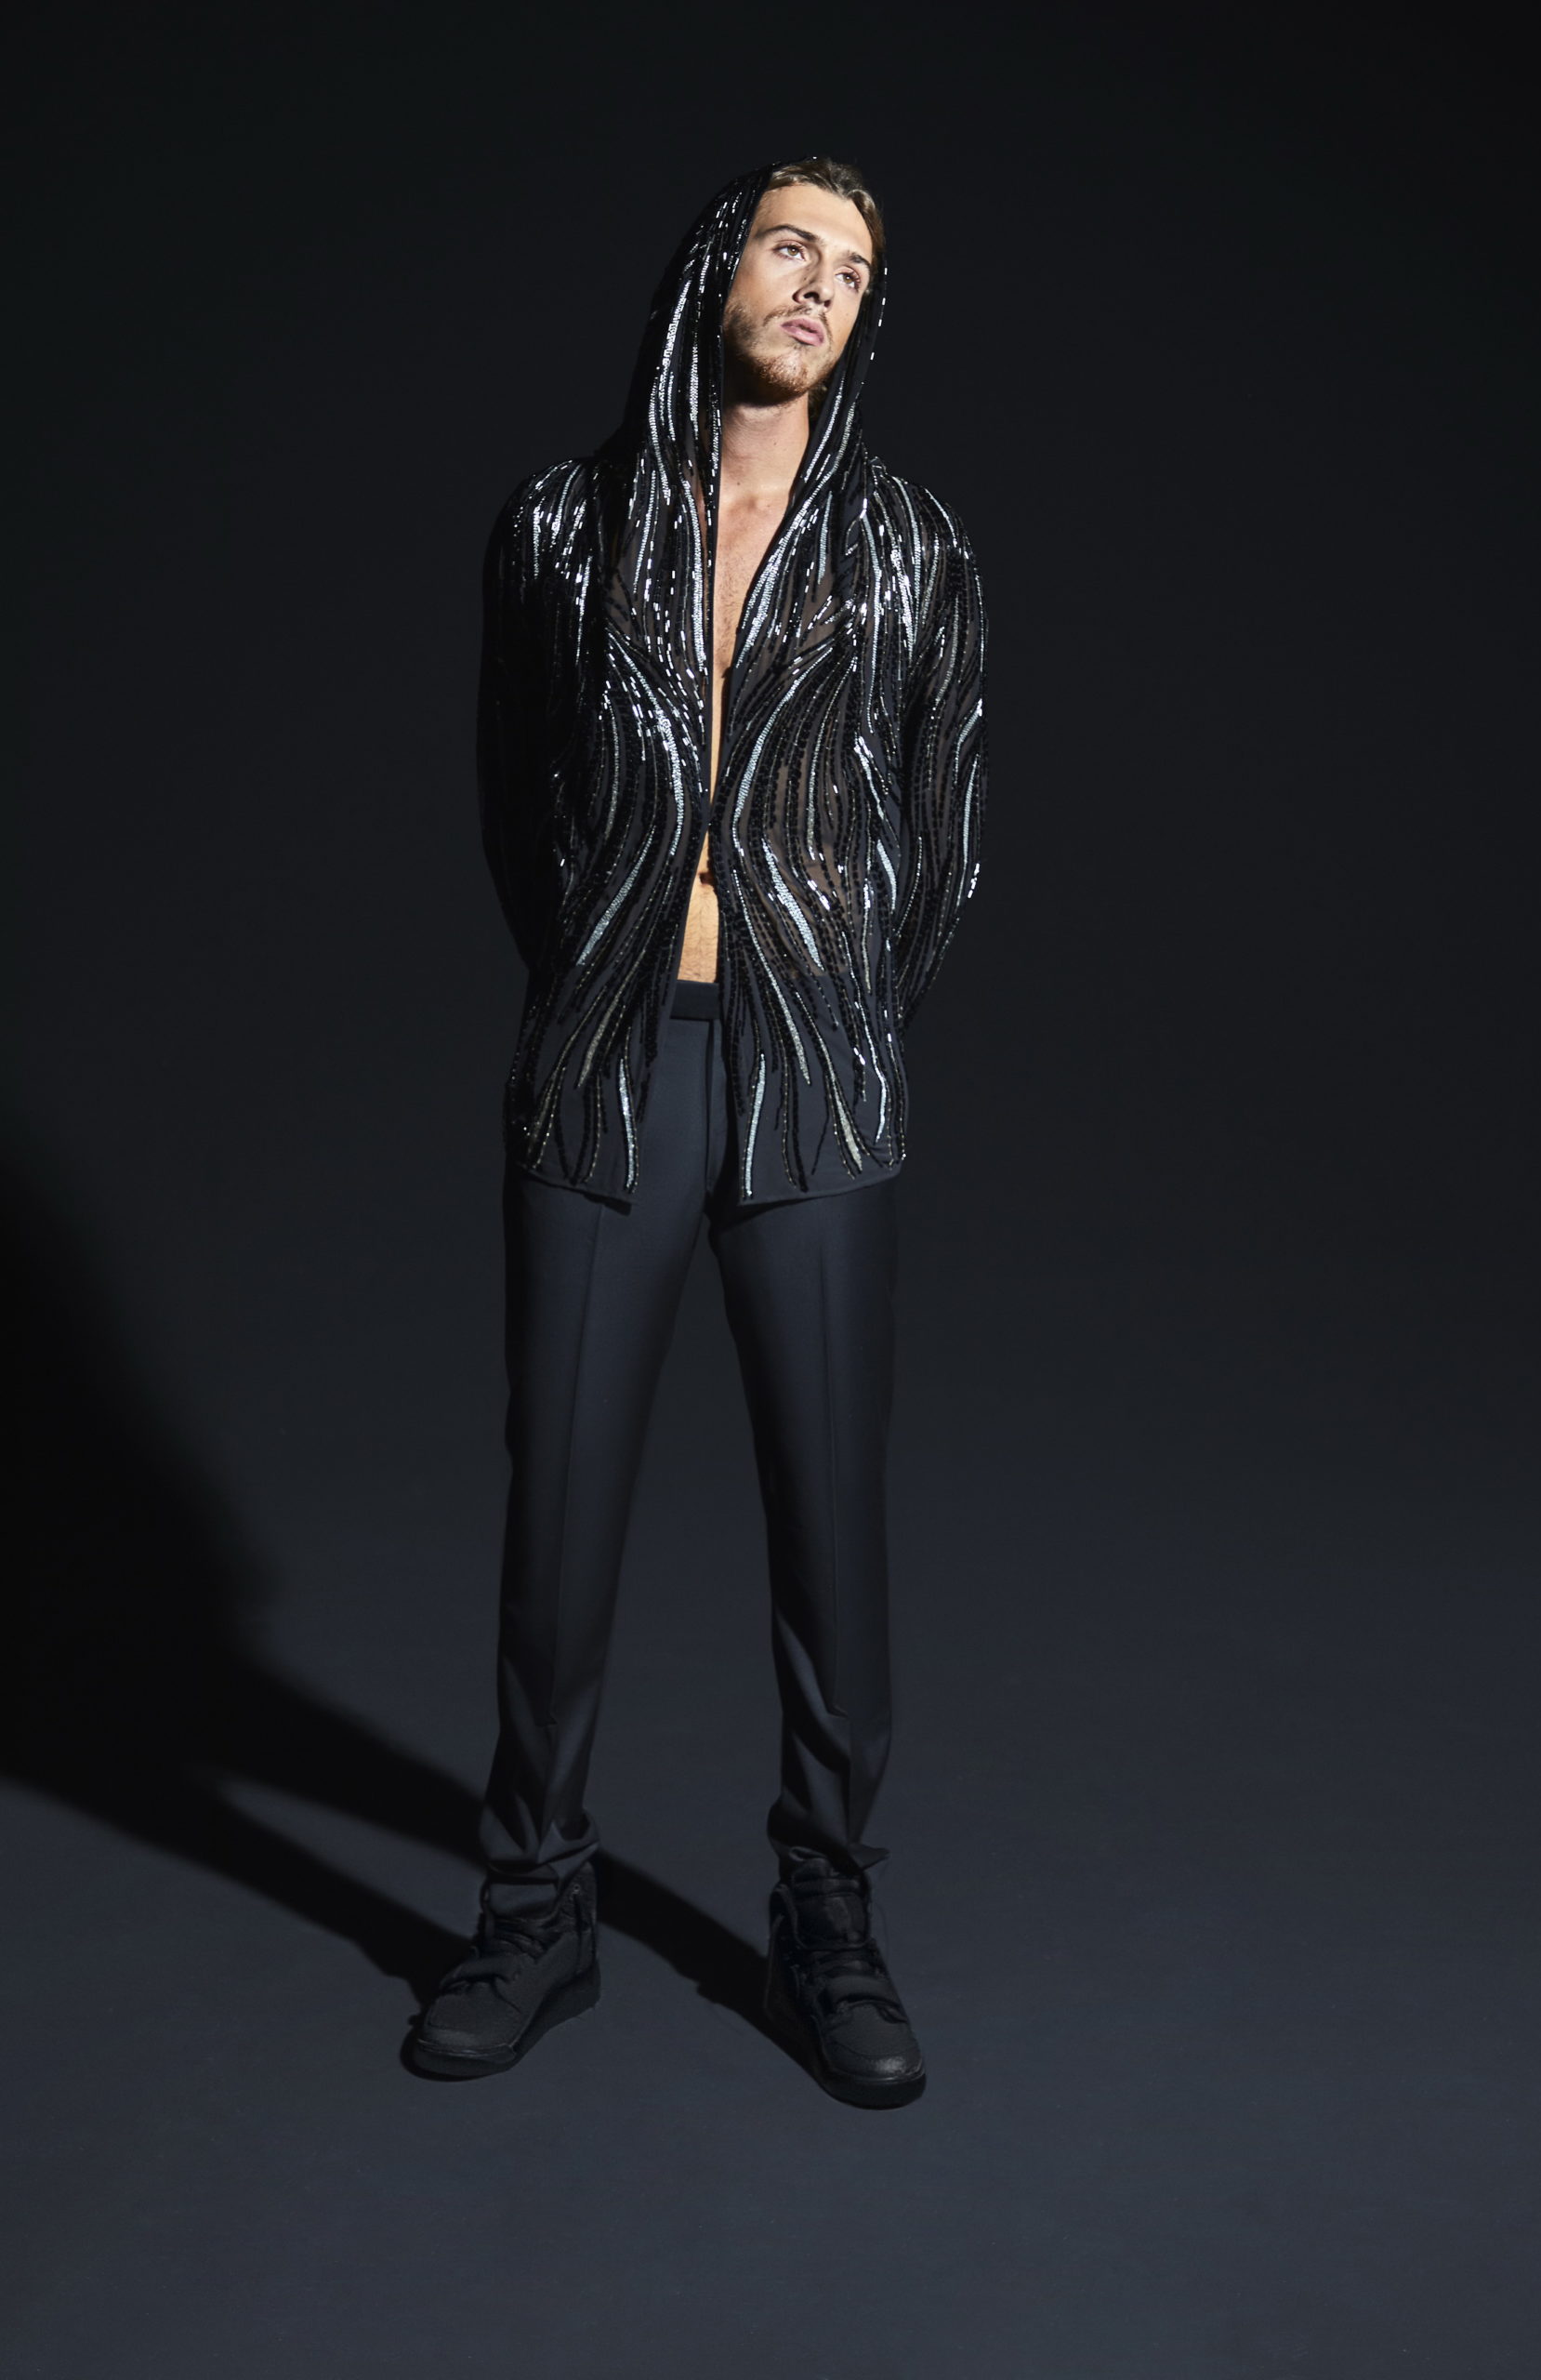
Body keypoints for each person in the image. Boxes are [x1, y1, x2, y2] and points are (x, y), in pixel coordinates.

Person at [411, 156, 986, 2108]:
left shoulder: (911, 549)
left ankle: (827, 1913)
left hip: (817, 1077)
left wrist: (823, 996)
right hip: (605, 1059)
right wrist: (605, 971)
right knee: (557, 1513)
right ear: (713, 268)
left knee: (832, 1521)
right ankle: (534, 1908)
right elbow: (518, 801)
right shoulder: (562, 528)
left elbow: (942, 841)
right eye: (788, 246)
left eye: (853, 270)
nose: (818, 286)